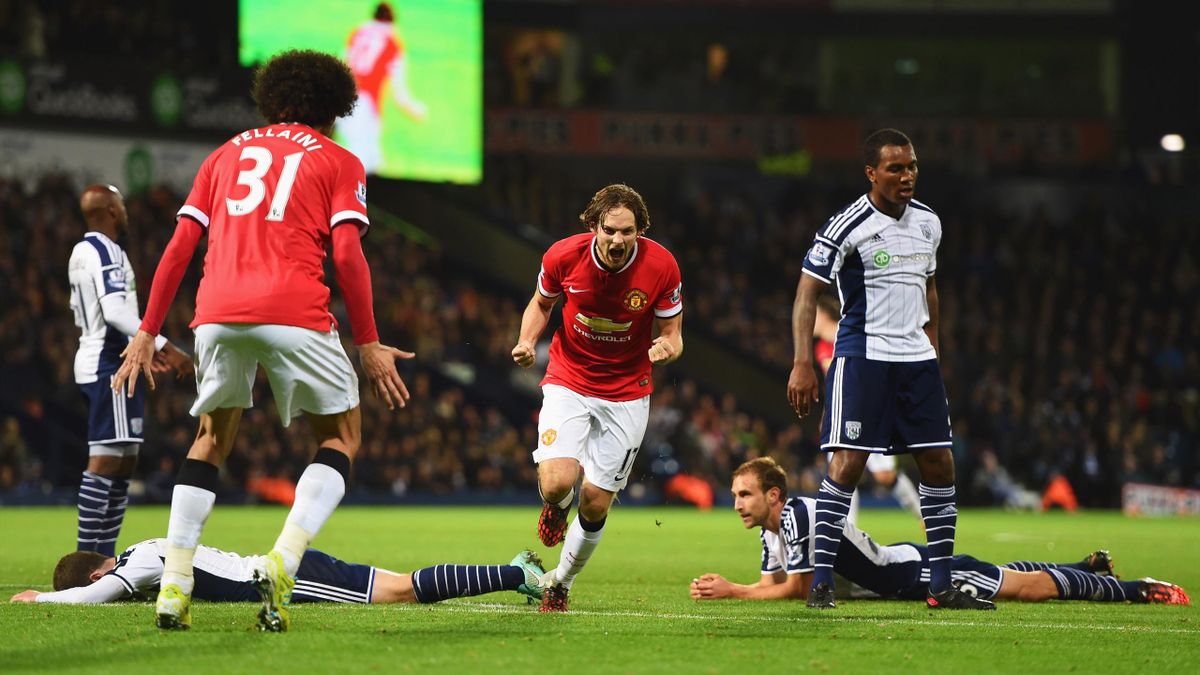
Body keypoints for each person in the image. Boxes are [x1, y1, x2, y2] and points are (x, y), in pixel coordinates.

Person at [112, 49, 413, 633]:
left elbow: (179, 249)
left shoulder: (225, 153)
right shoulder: (340, 160)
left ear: (272, 98)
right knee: (342, 435)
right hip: (294, 308)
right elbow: (347, 254)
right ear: (334, 109)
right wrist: (370, 342)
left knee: (210, 439)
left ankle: (174, 583)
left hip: (217, 311)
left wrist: (148, 331)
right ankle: (286, 558)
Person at [786, 128, 984, 610]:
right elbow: (806, 293)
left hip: (917, 362)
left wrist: (933, 347)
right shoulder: (845, 226)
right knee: (848, 466)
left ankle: (940, 585)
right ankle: (822, 584)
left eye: (912, 166)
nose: (907, 175)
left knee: (939, 463)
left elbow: (931, 289)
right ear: (871, 173)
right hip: (863, 360)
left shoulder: (929, 223)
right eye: (896, 168)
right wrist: (800, 364)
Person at [689, 458, 1190, 606]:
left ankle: (1137, 589)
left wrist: (732, 591)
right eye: (735, 495)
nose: (737, 505)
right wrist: (740, 589)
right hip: (900, 564)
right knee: (995, 571)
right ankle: (1085, 567)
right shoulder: (774, 528)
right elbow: (774, 585)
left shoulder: (797, 515)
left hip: (911, 575)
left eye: (745, 495)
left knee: (1026, 589)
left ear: (773, 495)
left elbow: (796, 589)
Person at [511, 183, 683, 612]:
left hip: (627, 390)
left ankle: (560, 583)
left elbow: (673, 334)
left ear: (640, 231)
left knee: (596, 501)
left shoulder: (662, 266)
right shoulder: (562, 256)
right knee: (556, 484)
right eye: (610, 230)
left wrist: (666, 348)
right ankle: (555, 506)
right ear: (594, 226)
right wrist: (527, 341)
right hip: (569, 377)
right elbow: (540, 303)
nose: (618, 240)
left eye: (629, 232)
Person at [68, 185, 193, 557]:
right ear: (109, 209)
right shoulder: (106, 250)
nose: (124, 209)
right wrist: (163, 345)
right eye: (120, 203)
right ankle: (84, 558)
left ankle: (102, 555)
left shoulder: (80, 251)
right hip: (109, 364)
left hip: (110, 358)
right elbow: (116, 312)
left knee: (124, 460)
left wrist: (138, 347)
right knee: (107, 458)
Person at [10, 541, 546, 609]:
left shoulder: (137, 564)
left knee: (403, 591)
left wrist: (39, 600)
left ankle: (514, 572)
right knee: (402, 584)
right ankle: (512, 571)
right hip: (282, 571)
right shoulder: (141, 551)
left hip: (281, 579)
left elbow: (102, 594)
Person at [813, 293, 921, 526]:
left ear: (823, 314)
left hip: (871, 412)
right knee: (841, 470)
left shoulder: (852, 335)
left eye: (812, 314)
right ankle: (846, 531)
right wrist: (827, 414)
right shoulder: (822, 347)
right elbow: (833, 385)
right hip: (843, 415)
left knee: (884, 476)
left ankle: (922, 514)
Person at [336, 2, 427, 175]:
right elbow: (400, 95)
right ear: (393, 21)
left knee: (372, 165)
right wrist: (417, 111)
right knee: (362, 172)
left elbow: (340, 65)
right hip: (364, 109)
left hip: (342, 102)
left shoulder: (358, 32)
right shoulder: (392, 43)